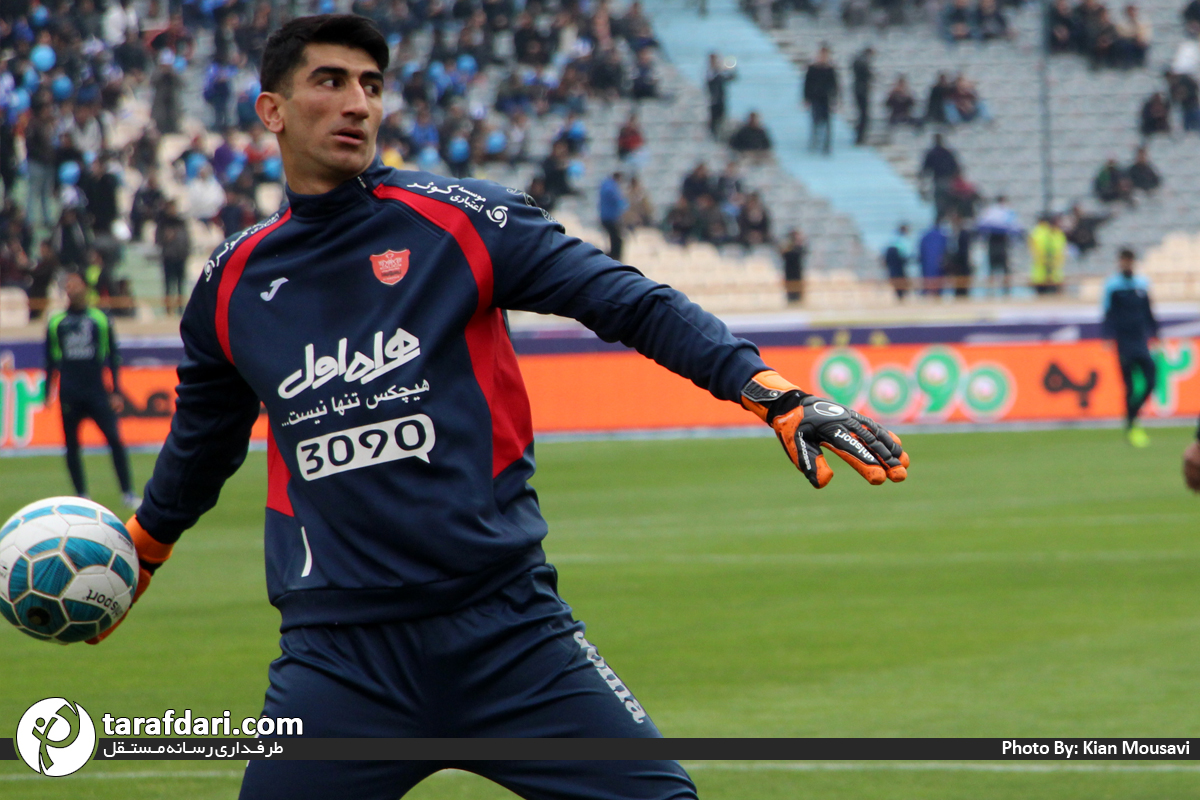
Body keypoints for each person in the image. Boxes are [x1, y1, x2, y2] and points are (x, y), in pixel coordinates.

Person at [88, 14, 909, 800]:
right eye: (329, 81)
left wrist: (772, 394)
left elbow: (627, 300)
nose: (356, 103)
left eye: (371, 85)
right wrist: (139, 556)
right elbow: (202, 443)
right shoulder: (229, 285)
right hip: (338, 659)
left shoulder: (463, 222)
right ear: (270, 110)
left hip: (507, 633)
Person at [44, 271, 136, 508]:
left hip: (97, 392)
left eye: (76, 285)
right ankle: (81, 494)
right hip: (70, 392)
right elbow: (51, 359)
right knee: (72, 445)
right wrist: (48, 391)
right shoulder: (56, 322)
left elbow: (112, 356)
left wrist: (116, 390)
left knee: (115, 440)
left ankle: (127, 492)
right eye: (68, 286)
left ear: (84, 288)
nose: (72, 289)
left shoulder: (99, 319)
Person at [1102, 248, 1158, 447]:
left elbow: (1149, 310)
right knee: (1130, 386)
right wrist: (1107, 336)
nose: (1126, 264)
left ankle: (1132, 416)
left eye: (1129, 260)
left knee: (1152, 380)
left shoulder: (1142, 284)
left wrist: (1156, 333)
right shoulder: (1113, 286)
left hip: (1140, 341)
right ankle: (1131, 425)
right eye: (1123, 260)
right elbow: (1107, 313)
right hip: (1124, 343)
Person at [975, 196, 1021, 294]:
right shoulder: (1007, 211)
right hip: (1002, 242)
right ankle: (1006, 291)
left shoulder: (989, 211)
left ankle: (990, 291)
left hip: (992, 241)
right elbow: (1015, 228)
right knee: (1004, 268)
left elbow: (981, 226)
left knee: (992, 268)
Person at [155, 198, 191, 316]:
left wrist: (185, 253)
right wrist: (166, 238)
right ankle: (168, 310)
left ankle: (181, 309)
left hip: (180, 257)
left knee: (180, 284)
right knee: (168, 285)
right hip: (168, 257)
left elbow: (186, 240)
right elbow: (158, 240)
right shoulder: (163, 223)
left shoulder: (181, 222)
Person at [803, 45, 838, 154]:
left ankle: (826, 145)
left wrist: (835, 98)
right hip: (815, 97)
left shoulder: (830, 69)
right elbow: (807, 84)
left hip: (826, 98)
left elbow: (834, 85)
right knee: (816, 119)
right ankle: (815, 140)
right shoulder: (812, 68)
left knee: (827, 122)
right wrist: (806, 98)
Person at [1029, 214, 1067, 294]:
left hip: (1054, 274)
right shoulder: (1041, 234)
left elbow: (1060, 253)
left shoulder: (1059, 235)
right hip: (1041, 275)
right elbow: (1037, 252)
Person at [706, 52, 736, 139]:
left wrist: (729, 69)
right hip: (713, 101)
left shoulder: (719, 73)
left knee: (721, 119)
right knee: (714, 120)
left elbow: (732, 78)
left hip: (721, 100)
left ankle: (720, 136)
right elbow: (710, 80)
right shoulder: (710, 72)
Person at [598, 171, 628, 262]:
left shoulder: (606, 185)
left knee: (614, 237)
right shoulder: (611, 187)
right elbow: (618, 201)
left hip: (606, 216)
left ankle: (613, 256)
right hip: (610, 217)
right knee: (617, 238)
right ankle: (616, 257)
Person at [851, 46, 873, 146]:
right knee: (863, 115)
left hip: (859, 90)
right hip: (862, 91)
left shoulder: (858, 61)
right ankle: (860, 137)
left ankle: (859, 135)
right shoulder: (862, 63)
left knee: (862, 114)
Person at [882, 223, 911, 299]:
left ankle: (900, 294)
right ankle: (900, 295)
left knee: (895, 276)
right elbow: (905, 252)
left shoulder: (894, 236)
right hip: (897, 256)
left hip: (892, 256)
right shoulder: (903, 238)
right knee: (899, 276)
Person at [779, 228, 807, 303]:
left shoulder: (798, 248)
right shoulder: (787, 248)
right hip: (789, 273)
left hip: (797, 273)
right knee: (790, 294)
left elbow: (802, 253)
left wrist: (799, 244)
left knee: (798, 294)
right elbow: (785, 255)